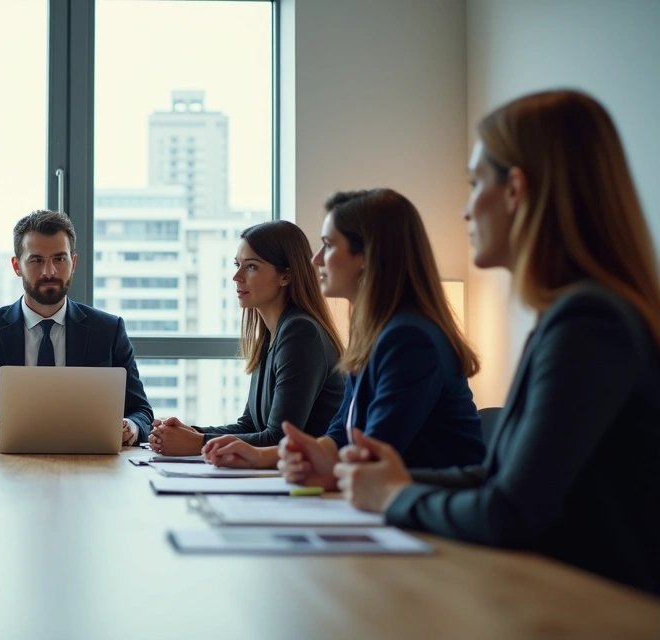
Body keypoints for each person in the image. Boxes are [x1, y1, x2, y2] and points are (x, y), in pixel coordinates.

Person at [333, 90, 660, 595]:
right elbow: (497, 478)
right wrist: (395, 482)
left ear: (515, 191)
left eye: (474, 184)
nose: (465, 210)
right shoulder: (571, 316)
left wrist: (395, 496)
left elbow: (510, 512)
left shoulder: (589, 321)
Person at [204, 189, 486, 485]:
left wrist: (312, 463)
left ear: (366, 256)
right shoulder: (375, 335)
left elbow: (369, 454)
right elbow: (340, 433)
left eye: (328, 245)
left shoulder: (410, 339)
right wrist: (264, 456)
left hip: (433, 519)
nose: (315, 260)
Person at [0, 210, 153, 444]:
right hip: (6, 471)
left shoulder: (108, 331)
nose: (50, 272)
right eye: (37, 260)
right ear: (17, 266)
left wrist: (131, 427)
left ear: (73, 263)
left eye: (59, 259)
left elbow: (142, 412)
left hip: (91, 469)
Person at [148, 220, 345, 456]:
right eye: (237, 264)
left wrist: (199, 443)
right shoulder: (270, 335)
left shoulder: (301, 332)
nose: (236, 276)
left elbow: (278, 438)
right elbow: (249, 426)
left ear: (285, 276)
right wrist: (188, 432)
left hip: (308, 483)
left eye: (251, 266)